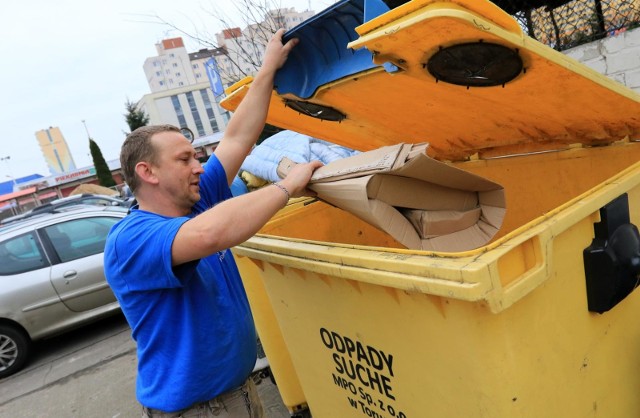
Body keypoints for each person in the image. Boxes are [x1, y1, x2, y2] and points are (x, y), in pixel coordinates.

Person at [104, 29, 323, 418]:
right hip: (197, 409)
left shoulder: (195, 199)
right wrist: (288, 184)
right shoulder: (130, 240)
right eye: (185, 159)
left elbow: (238, 137)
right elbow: (212, 233)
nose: (198, 167)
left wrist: (268, 67)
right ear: (147, 172)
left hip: (235, 391)